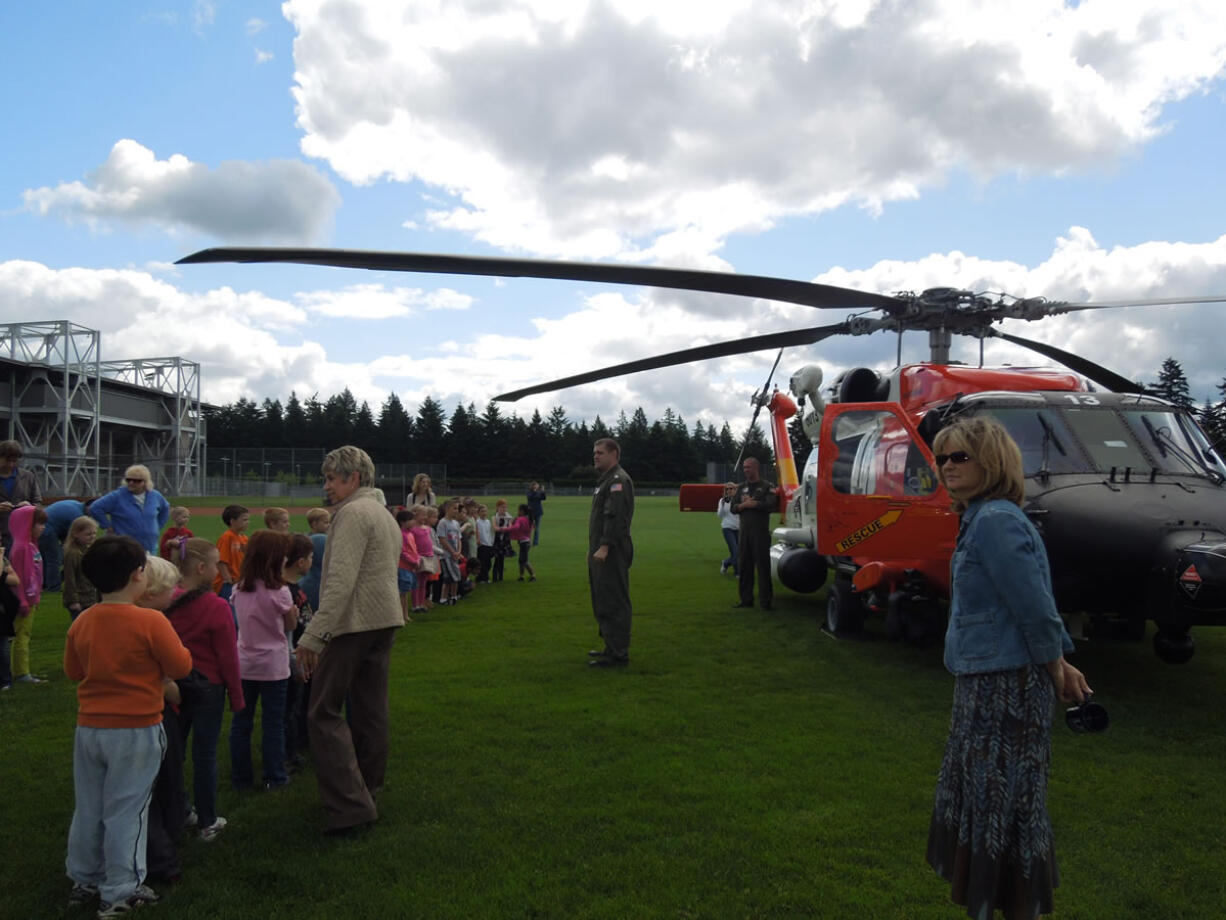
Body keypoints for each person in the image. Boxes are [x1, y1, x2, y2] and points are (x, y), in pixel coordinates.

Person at [925, 416, 1092, 920]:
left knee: (1002, 801)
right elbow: (1035, 600)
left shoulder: (995, 521)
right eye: (941, 458)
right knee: (990, 799)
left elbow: (1034, 605)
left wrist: (1057, 664)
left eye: (960, 457)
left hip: (1006, 687)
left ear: (991, 462)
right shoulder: (984, 517)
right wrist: (1060, 658)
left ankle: (1013, 905)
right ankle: (1000, 903)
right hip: (987, 679)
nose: (947, 467)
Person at [63, 535, 192, 916]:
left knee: (89, 805)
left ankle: (85, 877)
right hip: (136, 727)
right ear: (139, 575)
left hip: (90, 728)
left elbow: (74, 671)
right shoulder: (150, 620)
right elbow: (181, 666)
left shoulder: (83, 620)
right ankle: (121, 888)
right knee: (128, 808)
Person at [294, 445, 403, 835]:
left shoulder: (353, 513)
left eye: (331, 478)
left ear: (353, 479)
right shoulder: (382, 513)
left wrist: (314, 635)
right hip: (383, 620)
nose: (326, 487)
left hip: (353, 623)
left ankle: (350, 806)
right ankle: (367, 790)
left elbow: (340, 583)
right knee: (371, 709)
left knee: (322, 712)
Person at [165, 538, 243, 843]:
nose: (216, 568)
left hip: (174, 685)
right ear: (201, 568)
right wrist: (237, 696)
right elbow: (228, 656)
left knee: (174, 752)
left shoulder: (161, 600)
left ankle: (180, 809)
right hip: (208, 688)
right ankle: (207, 821)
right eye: (214, 564)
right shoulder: (215, 606)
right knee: (205, 755)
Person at [230, 530, 296, 791]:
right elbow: (289, 624)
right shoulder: (280, 592)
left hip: (245, 662)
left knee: (241, 722)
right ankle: (274, 775)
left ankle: (241, 779)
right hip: (273, 665)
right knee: (273, 723)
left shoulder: (238, 588)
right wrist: (291, 612)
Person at [587, 438, 634, 667]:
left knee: (614, 600)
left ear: (614, 454)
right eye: (594, 452)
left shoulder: (618, 481)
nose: (595, 456)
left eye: (600, 452)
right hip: (601, 550)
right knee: (603, 598)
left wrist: (605, 546)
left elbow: (615, 518)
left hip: (611, 551)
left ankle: (618, 654)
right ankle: (610, 646)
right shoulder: (606, 481)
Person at [89, 465, 170, 554]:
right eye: (128, 480)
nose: (131, 483)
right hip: (125, 547)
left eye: (136, 481)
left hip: (150, 546)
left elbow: (165, 509)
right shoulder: (117, 496)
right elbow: (95, 508)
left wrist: (157, 526)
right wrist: (107, 526)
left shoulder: (155, 495)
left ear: (145, 482)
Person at [731, 457, 777, 611]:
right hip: (744, 534)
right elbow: (733, 507)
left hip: (760, 533)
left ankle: (766, 602)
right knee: (745, 566)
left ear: (756, 468)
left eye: (748, 467)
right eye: (744, 467)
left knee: (763, 568)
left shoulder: (766, 486)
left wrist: (756, 504)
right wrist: (743, 505)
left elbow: (771, 504)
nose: (746, 470)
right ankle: (746, 600)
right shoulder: (741, 487)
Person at [9, 505, 47, 684]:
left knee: (25, 634)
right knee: (21, 636)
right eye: (39, 523)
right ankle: (21, 672)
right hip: (23, 601)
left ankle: (20, 670)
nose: (43, 527)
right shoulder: (21, 549)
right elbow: (19, 578)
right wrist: (22, 600)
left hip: (31, 599)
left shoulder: (31, 546)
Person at [0, 439, 41, 551]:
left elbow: (37, 503)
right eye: (7, 461)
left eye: (14, 461)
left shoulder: (28, 477)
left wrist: (29, 508)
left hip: (22, 534)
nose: (11, 465)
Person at [41, 497, 89, 591]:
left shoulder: (75, 504)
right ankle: (53, 587)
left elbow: (66, 531)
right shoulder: (77, 516)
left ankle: (46, 583)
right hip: (47, 530)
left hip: (45, 526)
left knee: (49, 559)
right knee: (54, 560)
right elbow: (77, 537)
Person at [63, 516, 100, 621]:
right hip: (80, 599)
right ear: (75, 534)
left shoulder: (88, 550)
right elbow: (70, 578)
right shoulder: (73, 553)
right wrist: (73, 600)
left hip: (90, 597)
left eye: (94, 533)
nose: (92, 536)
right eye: (88, 534)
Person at [212, 505, 250, 599]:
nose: (247, 522)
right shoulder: (226, 538)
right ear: (232, 521)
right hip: (228, 584)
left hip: (239, 581)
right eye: (244, 520)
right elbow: (221, 561)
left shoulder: (244, 538)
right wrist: (227, 579)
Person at [299, 508, 330, 612]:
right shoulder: (320, 540)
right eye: (325, 522)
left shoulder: (307, 539)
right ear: (314, 524)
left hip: (308, 582)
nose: (329, 525)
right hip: (318, 584)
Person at [395, 509, 420, 622]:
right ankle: (401, 615)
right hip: (403, 567)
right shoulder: (401, 534)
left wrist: (417, 559)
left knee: (406, 592)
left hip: (411, 568)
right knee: (402, 593)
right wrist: (413, 561)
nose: (413, 522)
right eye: (411, 520)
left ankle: (405, 614)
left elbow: (414, 549)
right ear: (402, 522)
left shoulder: (410, 534)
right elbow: (402, 552)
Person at [716, 482, 740, 576]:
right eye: (727, 489)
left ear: (735, 490)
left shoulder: (740, 500)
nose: (729, 490)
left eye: (731, 488)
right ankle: (737, 573)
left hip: (739, 529)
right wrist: (722, 505)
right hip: (727, 528)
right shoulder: (722, 500)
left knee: (739, 552)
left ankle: (725, 563)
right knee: (735, 550)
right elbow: (720, 515)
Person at [509, 504, 536, 582]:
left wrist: (511, 523)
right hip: (526, 542)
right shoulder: (529, 519)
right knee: (521, 561)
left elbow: (515, 528)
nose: (517, 512)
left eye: (519, 510)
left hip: (524, 543)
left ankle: (533, 575)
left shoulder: (521, 519)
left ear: (522, 511)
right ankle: (521, 576)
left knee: (524, 561)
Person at [491, 499, 514, 583]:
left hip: (505, 540)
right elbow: (494, 528)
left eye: (505, 507)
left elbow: (510, 528)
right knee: (497, 558)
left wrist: (503, 529)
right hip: (497, 540)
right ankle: (494, 576)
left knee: (502, 558)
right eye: (502, 507)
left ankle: (500, 576)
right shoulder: (494, 517)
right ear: (498, 507)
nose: (504, 509)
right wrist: (503, 528)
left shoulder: (509, 517)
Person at [475, 504, 494, 584]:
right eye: (482, 511)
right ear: (478, 513)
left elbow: (489, 532)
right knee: (482, 562)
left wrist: (491, 542)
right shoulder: (477, 522)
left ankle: (485, 577)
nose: (484, 513)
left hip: (488, 544)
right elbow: (477, 532)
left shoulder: (488, 521)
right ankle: (481, 578)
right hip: (482, 544)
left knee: (488, 563)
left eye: (485, 511)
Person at [526, 481, 546, 546]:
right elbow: (530, 497)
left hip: (538, 512)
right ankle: (527, 541)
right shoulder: (529, 492)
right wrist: (536, 492)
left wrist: (543, 491)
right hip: (530, 512)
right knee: (529, 528)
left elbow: (543, 498)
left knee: (537, 528)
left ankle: (535, 543)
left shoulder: (539, 492)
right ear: (532, 486)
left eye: (537, 485)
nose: (537, 486)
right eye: (536, 485)